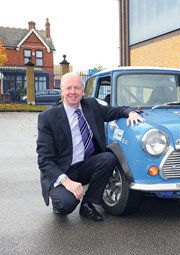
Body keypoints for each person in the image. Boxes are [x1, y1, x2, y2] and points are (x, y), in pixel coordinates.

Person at [36, 72, 145, 221]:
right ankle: (60, 201)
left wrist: (131, 113)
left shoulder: (91, 106)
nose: (73, 92)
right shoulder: (48, 117)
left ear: (82, 91)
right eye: (68, 88)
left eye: (77, 88)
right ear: (62, 91)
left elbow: (117, 110)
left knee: (108, 158)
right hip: (62, 170)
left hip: (85, 165)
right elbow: (44, 160)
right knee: (66, 205)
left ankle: (88, 204)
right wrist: (67, 182)